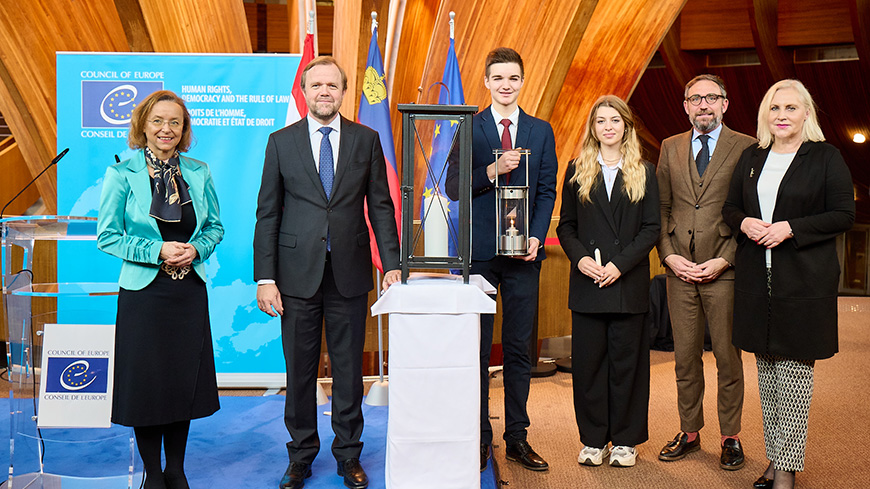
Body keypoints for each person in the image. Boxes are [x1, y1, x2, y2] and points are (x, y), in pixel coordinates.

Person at [253, 56, 401, 489]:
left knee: (349, 369)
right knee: (298, 371)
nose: (324, 92)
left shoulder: (366, 138)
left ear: (343, 91)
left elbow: (381, 207)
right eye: (316, 85)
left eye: (332, 86)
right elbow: (267, 214)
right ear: (304, 89)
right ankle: (300, 456)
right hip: (295, 276)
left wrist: (391, 264)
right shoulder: (280, 142)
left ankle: (348, 455)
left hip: (350, 275)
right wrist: (266, 277)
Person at [722, 79, 854, 489]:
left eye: (791, 108)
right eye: (775, 109)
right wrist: (742, 221)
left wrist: (790, 228)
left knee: (794, 379)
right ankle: (775, 458)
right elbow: (731, 207)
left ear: (806, 114)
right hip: (755, 282)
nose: (782, 116)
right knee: (767, 376)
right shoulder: (751, 156)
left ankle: (786, 470)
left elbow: (843, 214)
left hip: (802, 282)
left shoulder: (826, 157)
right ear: (767, 115)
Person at [97, 90, 224, 489]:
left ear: (183, 129)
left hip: (188, 293)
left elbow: (216, 228)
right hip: (144, 294)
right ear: (143, 126)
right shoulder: (122, 173)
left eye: (174, 122)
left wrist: (196, 248)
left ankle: (176, 469)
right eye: (157, 121)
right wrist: (158, 250)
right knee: (148, 384)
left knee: (181, 380)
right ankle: (153, 474)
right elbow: (108, 237)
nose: (166, 129)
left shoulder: (199, 172)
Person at [445, 47, 557, 473]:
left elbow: (547, 190)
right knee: (475, 350)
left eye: (513, 78)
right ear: (487, 83)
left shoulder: (539, 130)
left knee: (517, 350)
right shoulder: (470, 128)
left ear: (522, 81)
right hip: (479, 257)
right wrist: (491, 172)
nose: (506, 85)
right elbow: (454, 185)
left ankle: (517, 438)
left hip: (523, 255)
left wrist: (536, 235)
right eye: (498, 78)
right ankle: (479, 437)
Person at [655, 74, 755, 470]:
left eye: (711, 98)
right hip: (679, 270)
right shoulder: (669, 147)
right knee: (684, 357)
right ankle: (690, 431)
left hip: (724, 269)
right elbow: (661, 209)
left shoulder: (746, 146)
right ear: (685, 106)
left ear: (725, 104)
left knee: (728, 359)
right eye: (695, 99)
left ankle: (730, 436)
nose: (703, 105)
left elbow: (751, 212)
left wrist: (727, 258)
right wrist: (667, 255)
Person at [557, 95, 659, 468]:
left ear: (626, 126)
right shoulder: (576, 170)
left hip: (626, 283)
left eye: (615, 120)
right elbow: (566, 225)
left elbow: (651, 228)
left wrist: (620, 265)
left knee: (628, 366)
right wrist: (582, 259)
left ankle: (626, 441)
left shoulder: (645, 171)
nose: (608, 127)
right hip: (588, 283)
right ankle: (594, 439)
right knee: (589, 366)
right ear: (593, 128)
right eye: (601, 121)